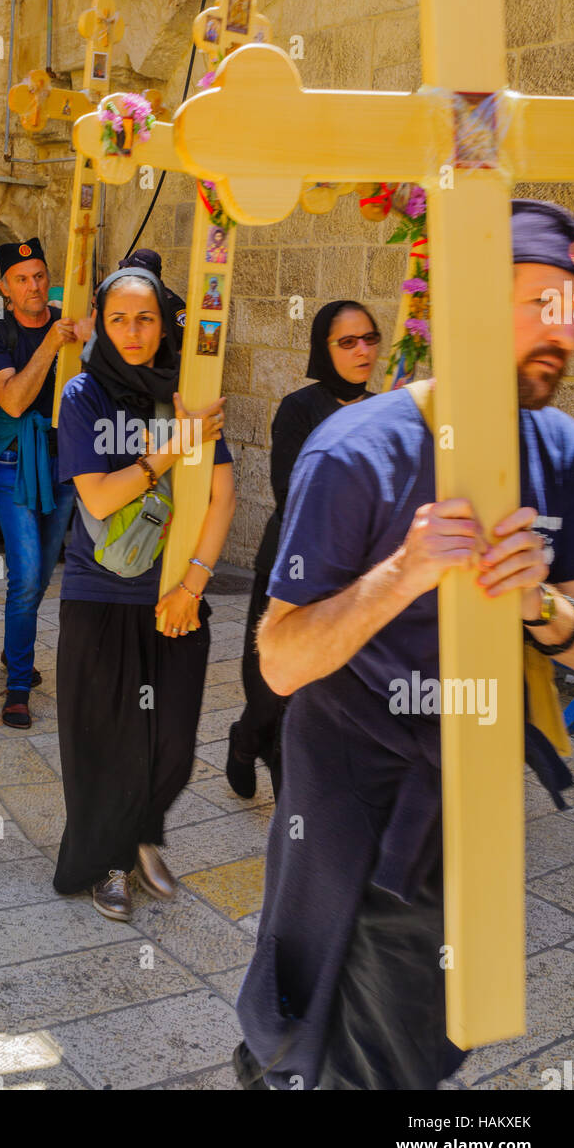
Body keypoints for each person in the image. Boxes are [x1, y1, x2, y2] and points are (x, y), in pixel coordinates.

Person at [234, 199, 574, 1091]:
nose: (565, 329)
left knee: (420, 1033)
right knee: (339, 1021)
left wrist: (540, 604)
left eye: (573, 307)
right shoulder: (354, 451)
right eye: (542, 304)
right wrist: (404, 573)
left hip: (474, 804)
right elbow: (279, 658)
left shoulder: (563, 448)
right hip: (353, 797)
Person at [53, 267, 236, 922]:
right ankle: (105, 859)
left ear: (165, 325)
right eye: (119, 319)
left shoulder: (190, 395)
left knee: (172, 742)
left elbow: (222, 495)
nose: (133, 333)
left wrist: (194, 583)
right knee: (106, 738)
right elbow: (99, 495)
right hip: (101, 595)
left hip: (174, 596)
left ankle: (143, 834)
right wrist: (173, 447)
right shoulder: (83, 395)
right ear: (101, 323)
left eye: (146, 319)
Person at [226, 301, 381, 799]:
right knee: (273, 679)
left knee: (322, 685)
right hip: (293, 563)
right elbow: (289, 492)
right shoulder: (300, 408)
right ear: (323, 348)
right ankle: (250, 737)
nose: (363, 350)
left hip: (354, 571)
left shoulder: (386, 409)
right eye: (348, 341)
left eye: (370, 338)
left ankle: (289, 777)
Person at [0, 236, 90, 727]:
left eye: (40, 275)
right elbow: (15, 401)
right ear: (5, 286)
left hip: (64, 460)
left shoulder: (72, 323)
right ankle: (18, 685)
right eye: (22, 279)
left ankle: (11, 648)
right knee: (24, 578)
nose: (34, 286)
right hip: (14, 462)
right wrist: (52, 342)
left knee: (43, 575)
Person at [118, 248, 186, 347]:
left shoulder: (171, 304)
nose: (126, 275)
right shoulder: (127, 297)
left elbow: (186, 343)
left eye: (130, 270)